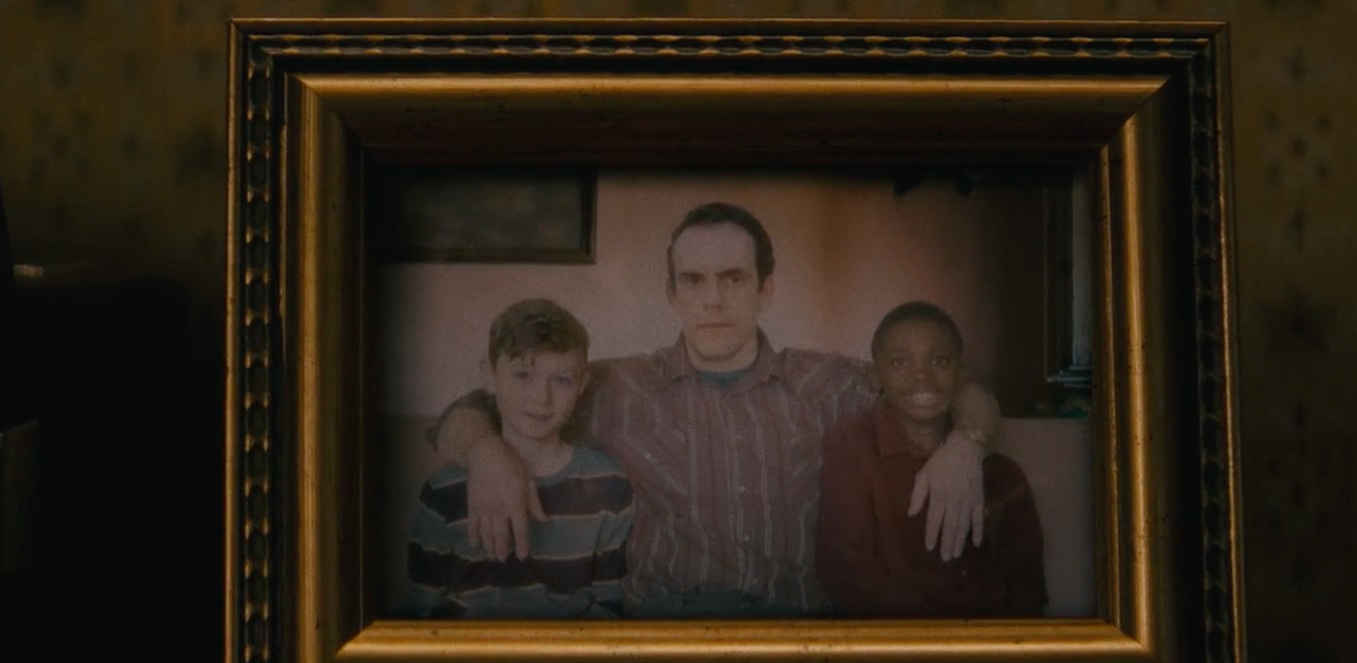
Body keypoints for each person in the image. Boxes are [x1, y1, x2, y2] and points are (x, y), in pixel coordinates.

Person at [429, 202, 999, 617]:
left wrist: (966, 446)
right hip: (666, 630)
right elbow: (468, 410)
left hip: (793, 630)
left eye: (733, 278)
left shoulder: (823, 383)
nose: (712, 299)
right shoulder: (617, 386)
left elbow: (956, 391)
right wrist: (485, 452)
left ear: (765, 290)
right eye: (693, 280)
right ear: (672, 294)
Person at [389, 299, 633, 619]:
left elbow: (609, 607)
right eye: (523, 376)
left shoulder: (608, 484)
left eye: (562, 380)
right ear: (489, 376)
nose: (542, 397)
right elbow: (422, 608)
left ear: (582, 384)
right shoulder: (444, 490)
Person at [816, 301, 1048, 617]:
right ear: (874, 376)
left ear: (961, 375)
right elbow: (847, 577)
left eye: (939, 361)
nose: (922, 377)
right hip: (889, 637)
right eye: (900, 362)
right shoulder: (851, 448)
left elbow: (1026, 595)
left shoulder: (1002, 475)